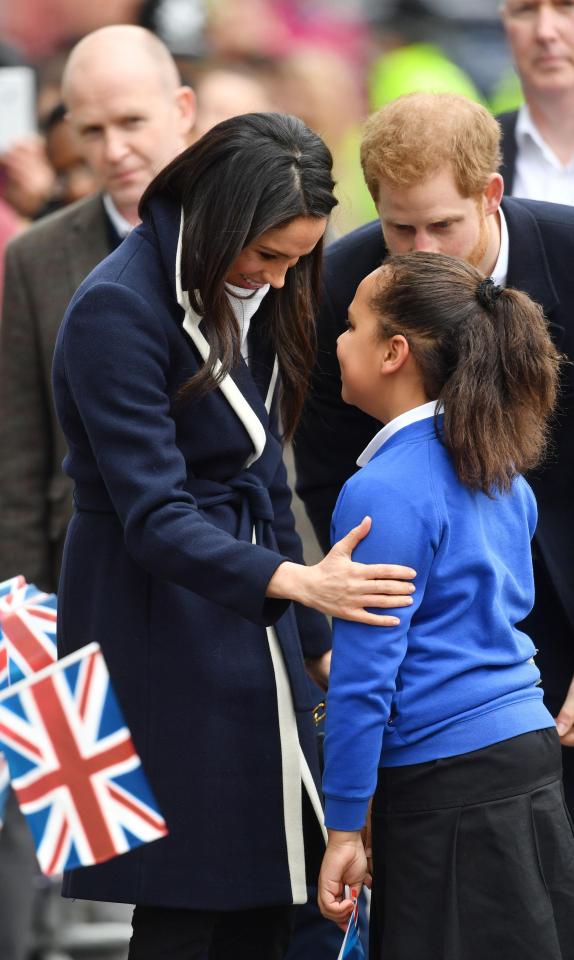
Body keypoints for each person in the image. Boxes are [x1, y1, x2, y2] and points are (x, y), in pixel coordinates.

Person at [51, 111, 415, 959]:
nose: (282, 280)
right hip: (149, 608)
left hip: (245, 596)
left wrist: (316, 637)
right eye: (267, 256)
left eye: (296, 259)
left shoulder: (243, 288)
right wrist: (299, 588)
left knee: (268, 877)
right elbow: (155, 515)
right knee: (186, 892)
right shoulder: (115, 307)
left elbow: (264, 473)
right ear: (218, 221)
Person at [293, 90, 574, 814]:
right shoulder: (343, 288)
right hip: (440, 645)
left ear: (491, 197)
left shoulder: (569, 257)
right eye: (400, 229)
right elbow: (325, 467)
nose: (421, 254)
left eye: (443, 226)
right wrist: (364, 615)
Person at [317, 251, 574, 959]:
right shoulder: (501, 468)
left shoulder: (381, 490)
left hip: (443, 784)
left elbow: (366, 677)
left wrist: (343, 828)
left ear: (394, 352)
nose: (336, 341)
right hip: (528, 758)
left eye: (350, 325)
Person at [0, 24, 196, 594]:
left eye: (132, 122)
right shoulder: (35, 257)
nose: (114, 150)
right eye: (92, 130)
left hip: (241, 571)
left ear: (181, 109)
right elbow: (19, 456)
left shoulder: (260, 235)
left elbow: (290, 436)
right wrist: (22, 606)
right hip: (91, 577)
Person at [498, 0, 574, 202]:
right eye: (526, 9)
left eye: (567, 5)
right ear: (505, 24)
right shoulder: (471, 155)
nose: (545, 32)